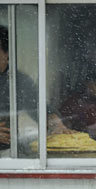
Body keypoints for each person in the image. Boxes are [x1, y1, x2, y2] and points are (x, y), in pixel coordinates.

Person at [0, 25, 69, 154]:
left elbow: (39, 107)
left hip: (8, 153)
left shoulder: (18, 80)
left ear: (7, 53)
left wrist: (55, 123)